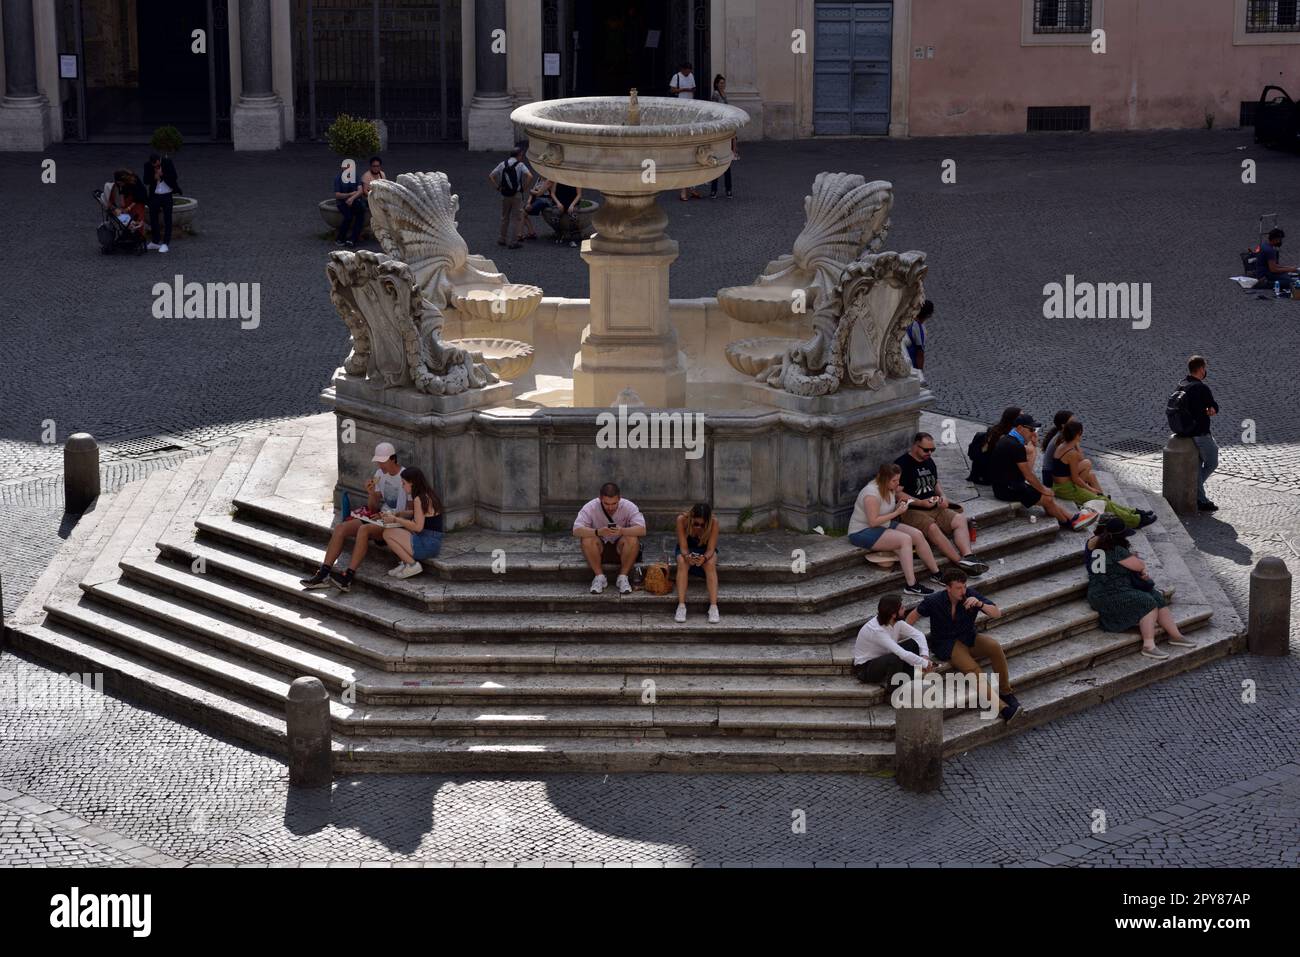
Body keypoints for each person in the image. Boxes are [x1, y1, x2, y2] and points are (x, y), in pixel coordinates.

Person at [906, 569, 1022, 722]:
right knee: (973, 669)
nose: (963, 591)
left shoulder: (971, 595)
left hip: (969, 637)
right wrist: (909, 641)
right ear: (948, 588)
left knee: (994, 646)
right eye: (958, 588)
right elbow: (912, 617)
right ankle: (1002, 708)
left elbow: (996, 614)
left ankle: (1006, 692)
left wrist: (980, 604)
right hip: (946, 644)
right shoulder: (934, 601)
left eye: (964, 586)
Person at [300, 442, 410, 591]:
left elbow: (410, 510)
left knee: (363, 530)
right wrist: (371, 493)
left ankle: (347, 577)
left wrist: (390, 516)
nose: (379, 465)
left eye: (382, 461)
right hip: (380, 517)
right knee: (341, 528)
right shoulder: (379, 475)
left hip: (395, 523)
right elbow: (372, 508)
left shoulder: (405, 476)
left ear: (393, 459)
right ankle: (323, 574)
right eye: (378, 461)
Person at [1085, 516, 1198, 660]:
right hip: (1107, 594)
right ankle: (1149, 646)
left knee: (1156, 596)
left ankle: (1176, 636)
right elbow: (1139, 566)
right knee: (1147, 602)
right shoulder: (1116, 549)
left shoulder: (1097, 544)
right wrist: (1137, 564)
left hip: (1110, 588)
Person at [895, 432, 988, 575]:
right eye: (926, 450)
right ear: (915, 446)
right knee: (932, 528)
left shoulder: (929, 461)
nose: (929, 453)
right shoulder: (903, 464)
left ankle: (969, 556)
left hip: (934, 505)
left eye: (933, 450)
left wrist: (943, 496)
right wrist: (920, 503)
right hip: (912, 509)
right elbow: (897, 493)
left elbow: (935, 482)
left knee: (959, 519)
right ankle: (960, 563)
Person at [847, 463, 944, 596]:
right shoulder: (871, 494)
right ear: (884, 479)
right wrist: (897, 512)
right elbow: (873, 521)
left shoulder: (890, 488)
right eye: (894, 480)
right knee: (905, 540)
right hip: (862, 531)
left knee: (917, 534)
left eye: (898, 479)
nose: (897, 483)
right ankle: (911, 585)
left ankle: (936, 573)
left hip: (884, 524)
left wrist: (899, 505)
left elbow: (886, 511)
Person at [1051, 420, 1156, 528]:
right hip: (1066, 489)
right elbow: (1075, 478)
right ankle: (1135, 521)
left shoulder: (1063, 445)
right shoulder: (1071, 453)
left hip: (1062, 486)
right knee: (1102, 501)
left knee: (1103, 499)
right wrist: (1091, 489)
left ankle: (1133, 512)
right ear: (1079, 434)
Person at [989, 414, 1082, 529]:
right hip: (1007, 489)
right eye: (1031, 429)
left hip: (1007, 485)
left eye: (1035, 429)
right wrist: (1043, 489)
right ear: (1019, 428)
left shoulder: (1008, 440)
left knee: (1047, 496)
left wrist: (1032, 447)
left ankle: (1070, 516)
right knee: (1047, 497)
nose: (1034, 433)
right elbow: (1028, 475)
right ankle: (1069, 523)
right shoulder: (1016, 446)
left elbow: (1026, 471)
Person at [1167, 355, 1220, 512]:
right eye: (1205, 368)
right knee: (1212, 460)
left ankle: (1200, 497)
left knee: (1197, 466)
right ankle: (1196, 490)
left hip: (1183, 430)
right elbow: (1213, 406)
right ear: (1202, 368)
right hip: (1199, 432)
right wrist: (1211, 410)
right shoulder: (1201, 388)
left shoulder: (1181, 384)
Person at [573, 482, 646, 595]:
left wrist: (622, 531)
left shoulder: (629, 506)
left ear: (619, 498)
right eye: (606, 504)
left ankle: (623, 577)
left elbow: (642, 529)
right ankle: (599, 577)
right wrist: (597, 532)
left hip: (621, 548)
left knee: (632, 538)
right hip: (599, 548)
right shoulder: (591, 506)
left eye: (614, 503)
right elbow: (576, 530)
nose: (610, 507)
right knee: (587, 538)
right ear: (600, 498)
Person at [851, 594, 933, 687]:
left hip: (883, 658)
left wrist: (924, 656)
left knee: (913, 644)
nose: (905, 609)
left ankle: (912, 682)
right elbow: (901, 653)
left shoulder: (896, 622)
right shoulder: (876, 630)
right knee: (896, 657)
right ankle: (893, 692)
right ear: (893, 614)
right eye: (902, 608)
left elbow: (919, 635)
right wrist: (925, 663)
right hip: (866, 668)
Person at [381, 468, 443, 580]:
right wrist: (399, 513)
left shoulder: (419, 499)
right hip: (433, 541)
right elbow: (421, 514)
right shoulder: (428, 494)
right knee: (400, 530)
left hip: (427, 544)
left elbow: (418, 527)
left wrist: (395, 519)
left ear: (412, 483)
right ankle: (404, 563)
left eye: (404, 483)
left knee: (387, 533)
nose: (402, 486)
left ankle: (412, 565)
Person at [674, 502, 720, 623]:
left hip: (705, 550)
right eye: (696, 523)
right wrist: (687, 556)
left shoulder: (714, 522)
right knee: (682, 562)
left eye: (702, 524)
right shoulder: (682, 520)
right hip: (687, 549)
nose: (699, 527)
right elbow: (683, 547)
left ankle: (714, 607)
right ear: (691, 517)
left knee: (710, 564)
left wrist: (704, 558)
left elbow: (711, 549)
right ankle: (681, 606)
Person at [488, 144, 532, 249]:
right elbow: (530, 176)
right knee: (517, 218)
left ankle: (502, 238)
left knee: (505, 217)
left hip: (505, 194)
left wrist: (498, 188)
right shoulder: (520, 165)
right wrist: (523, 188)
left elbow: (491, 176)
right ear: (519, 155)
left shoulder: (502, 164)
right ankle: (513, 242)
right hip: (516, 194)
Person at [967, 406, 1020, 485]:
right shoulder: (1007, 435)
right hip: (990, 474)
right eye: (1021, 416)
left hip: (981, 470)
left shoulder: (996, 429)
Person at [142, 152, 181, 253]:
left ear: (159, 160)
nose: (155, 166)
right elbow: (145, 180)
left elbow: (174, 176)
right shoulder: (147, 165)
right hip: (155, 194)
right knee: (153, 216)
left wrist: (162, 175)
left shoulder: (167, 162)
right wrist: (154, 178)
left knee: (168, 218)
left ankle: (165, 243)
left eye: (157, 164)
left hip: (167, 194)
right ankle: (155, 241)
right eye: (153, 165)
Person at [708, 75, 736, 199]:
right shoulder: (715, 94)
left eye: (723, 83)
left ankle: (728, 189)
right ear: (716, 84)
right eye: (720, 83)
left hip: (726, 129)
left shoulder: (724, 94)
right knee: (717, 162)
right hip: (719, 129)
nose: (722, 84)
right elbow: (714, 111)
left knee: (727, 162)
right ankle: (714, 190)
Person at [333, 159, 366, 248]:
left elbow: (360, 191)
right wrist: (349, 194)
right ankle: (340, 238)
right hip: (342, 203)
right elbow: (337, 195)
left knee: (361, 213)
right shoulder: (338, 178)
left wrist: (351, 198)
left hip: (353, 200)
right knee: (348, 217)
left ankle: (352, 239)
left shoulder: (355, 176)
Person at [542, 180, 584, 246]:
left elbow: (579, 195)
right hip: (560, 202)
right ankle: (559, 233)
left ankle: (572, 238)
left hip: (572, 203)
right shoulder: (557, 179)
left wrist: (572, 205)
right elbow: (552, 193)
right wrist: (558, 203)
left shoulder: (576, 180)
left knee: (574, 216)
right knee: (554, 216)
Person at [1039, 410, 1074, 487]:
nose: (1075, 424)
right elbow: (1075, 458)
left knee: (1089, 473)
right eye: (1072, 422)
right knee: (1085, 465)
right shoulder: (1062, 439)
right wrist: (1076, 442)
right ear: (1063, 425)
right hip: (1051, 478)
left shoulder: (1060, 434)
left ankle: (1097, 493)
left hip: (1048, 474)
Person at [521, 173, 553, 240]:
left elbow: (539, 193)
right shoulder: (539, 179)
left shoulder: (549, 180)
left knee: (523, 213)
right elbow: (533, 192)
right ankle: (531, 232)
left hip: (545, 200)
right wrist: (528, 202)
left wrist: (531, 191)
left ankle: (522, 233)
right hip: (537, 199)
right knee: (522, 212)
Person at [905, 300, 933, 375]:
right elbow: (920, 353)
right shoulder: (918, 329)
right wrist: (920, 373)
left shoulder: (907, 318)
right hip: (911, 364)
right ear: (928, 316)